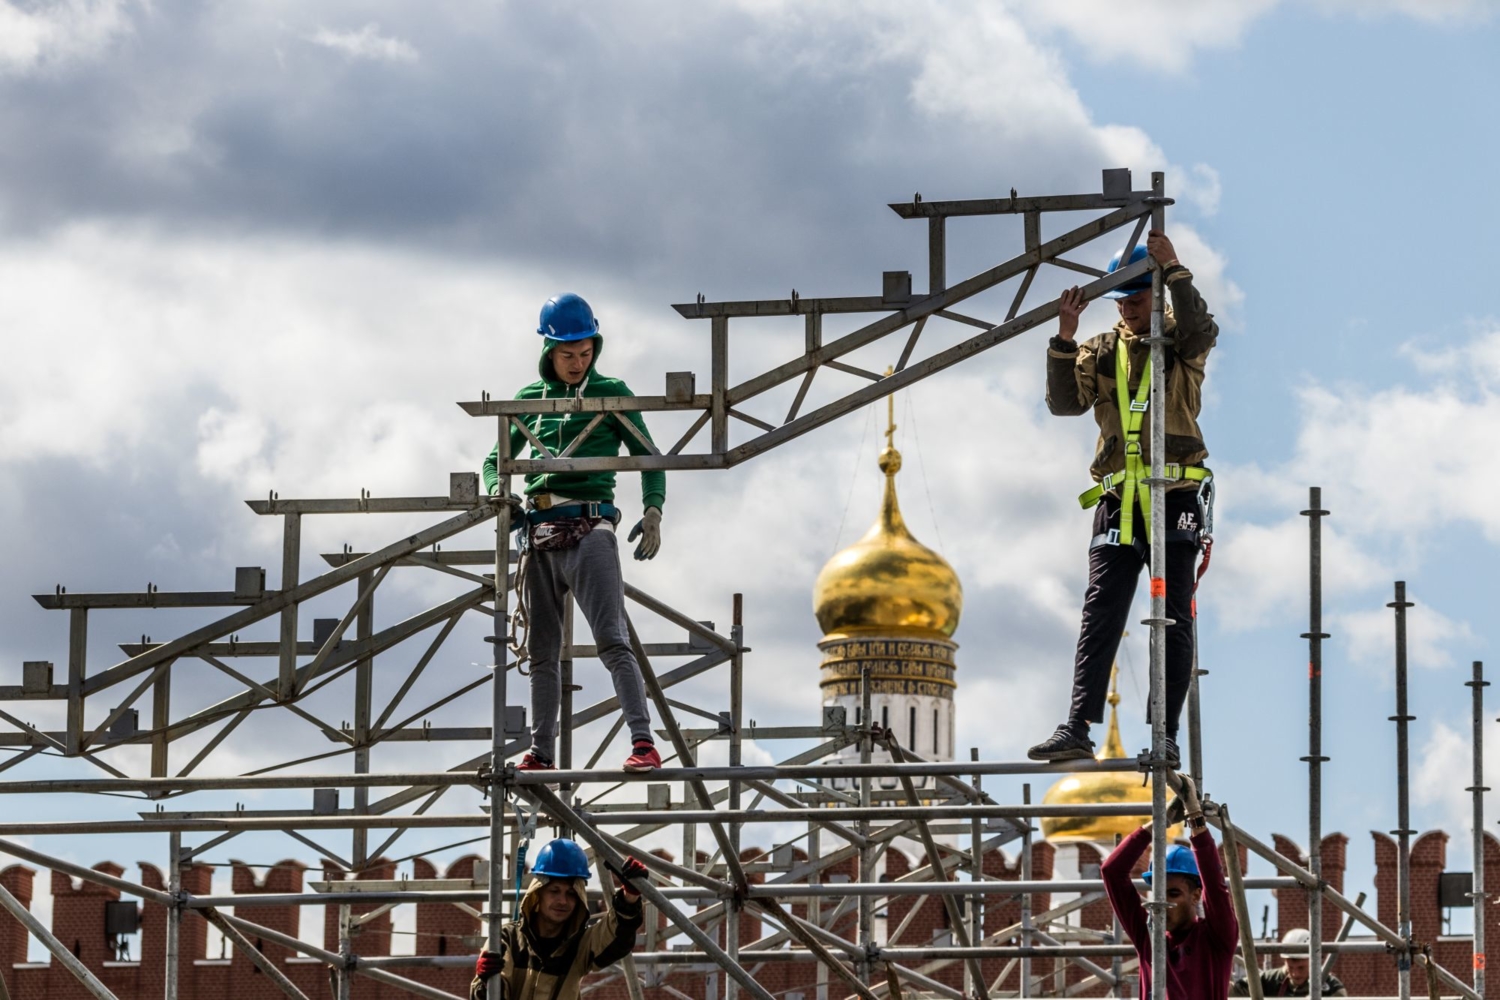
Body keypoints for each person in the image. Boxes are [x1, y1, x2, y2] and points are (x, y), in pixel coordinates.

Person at [1029, 229, 1219, 765]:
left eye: (1137, 299)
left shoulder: (1180, 342)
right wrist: (1064, 341)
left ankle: (1165, 734)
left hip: (1174, 496)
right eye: (1123, 302)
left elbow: (1201, 331)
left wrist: (1176, 268)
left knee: (1172, 615)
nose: (1129, 310)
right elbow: (1066, 404)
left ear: (1156, 295)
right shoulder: (1103, 349)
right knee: (1101, 609)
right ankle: (1078, 725)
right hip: (1120, 501)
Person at [483, 292, 664, 774]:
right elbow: (492, 459)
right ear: (548, 351)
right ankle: (541, 751)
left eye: (585, 353)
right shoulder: (527, 402)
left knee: (611, 638)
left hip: (590, 531)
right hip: (539, 536)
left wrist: (653, 510)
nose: (577, 363)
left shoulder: (613, 392)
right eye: (567, 355)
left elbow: (650, 457)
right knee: (542, 651)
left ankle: (644, 743)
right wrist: (499, 491)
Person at [1102, 775, 1237, 1000]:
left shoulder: (1215, 938)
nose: (1163, 903)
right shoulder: (1148, 936)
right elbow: (1112, 872)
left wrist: (1195, 815)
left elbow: (1215, 885)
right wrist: (1159, 823)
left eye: (1173, 893)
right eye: (1158, 893)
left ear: (1195, 896)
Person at [471, 838, 649, 1000]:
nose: (562, 901)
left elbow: (616, 937)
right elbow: (488, 995)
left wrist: (630, 896)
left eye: (571, 894)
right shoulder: (508, 938)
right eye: (554, 891)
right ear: (537, 894)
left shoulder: (580, 945)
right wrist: (485, 982)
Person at [1232, 928, 1349, 997]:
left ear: (1315, 961)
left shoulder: (1332, 987)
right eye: (1290, 967)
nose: (1295, 974)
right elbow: (1233, 991)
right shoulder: (1270, 979)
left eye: (1301, 968)